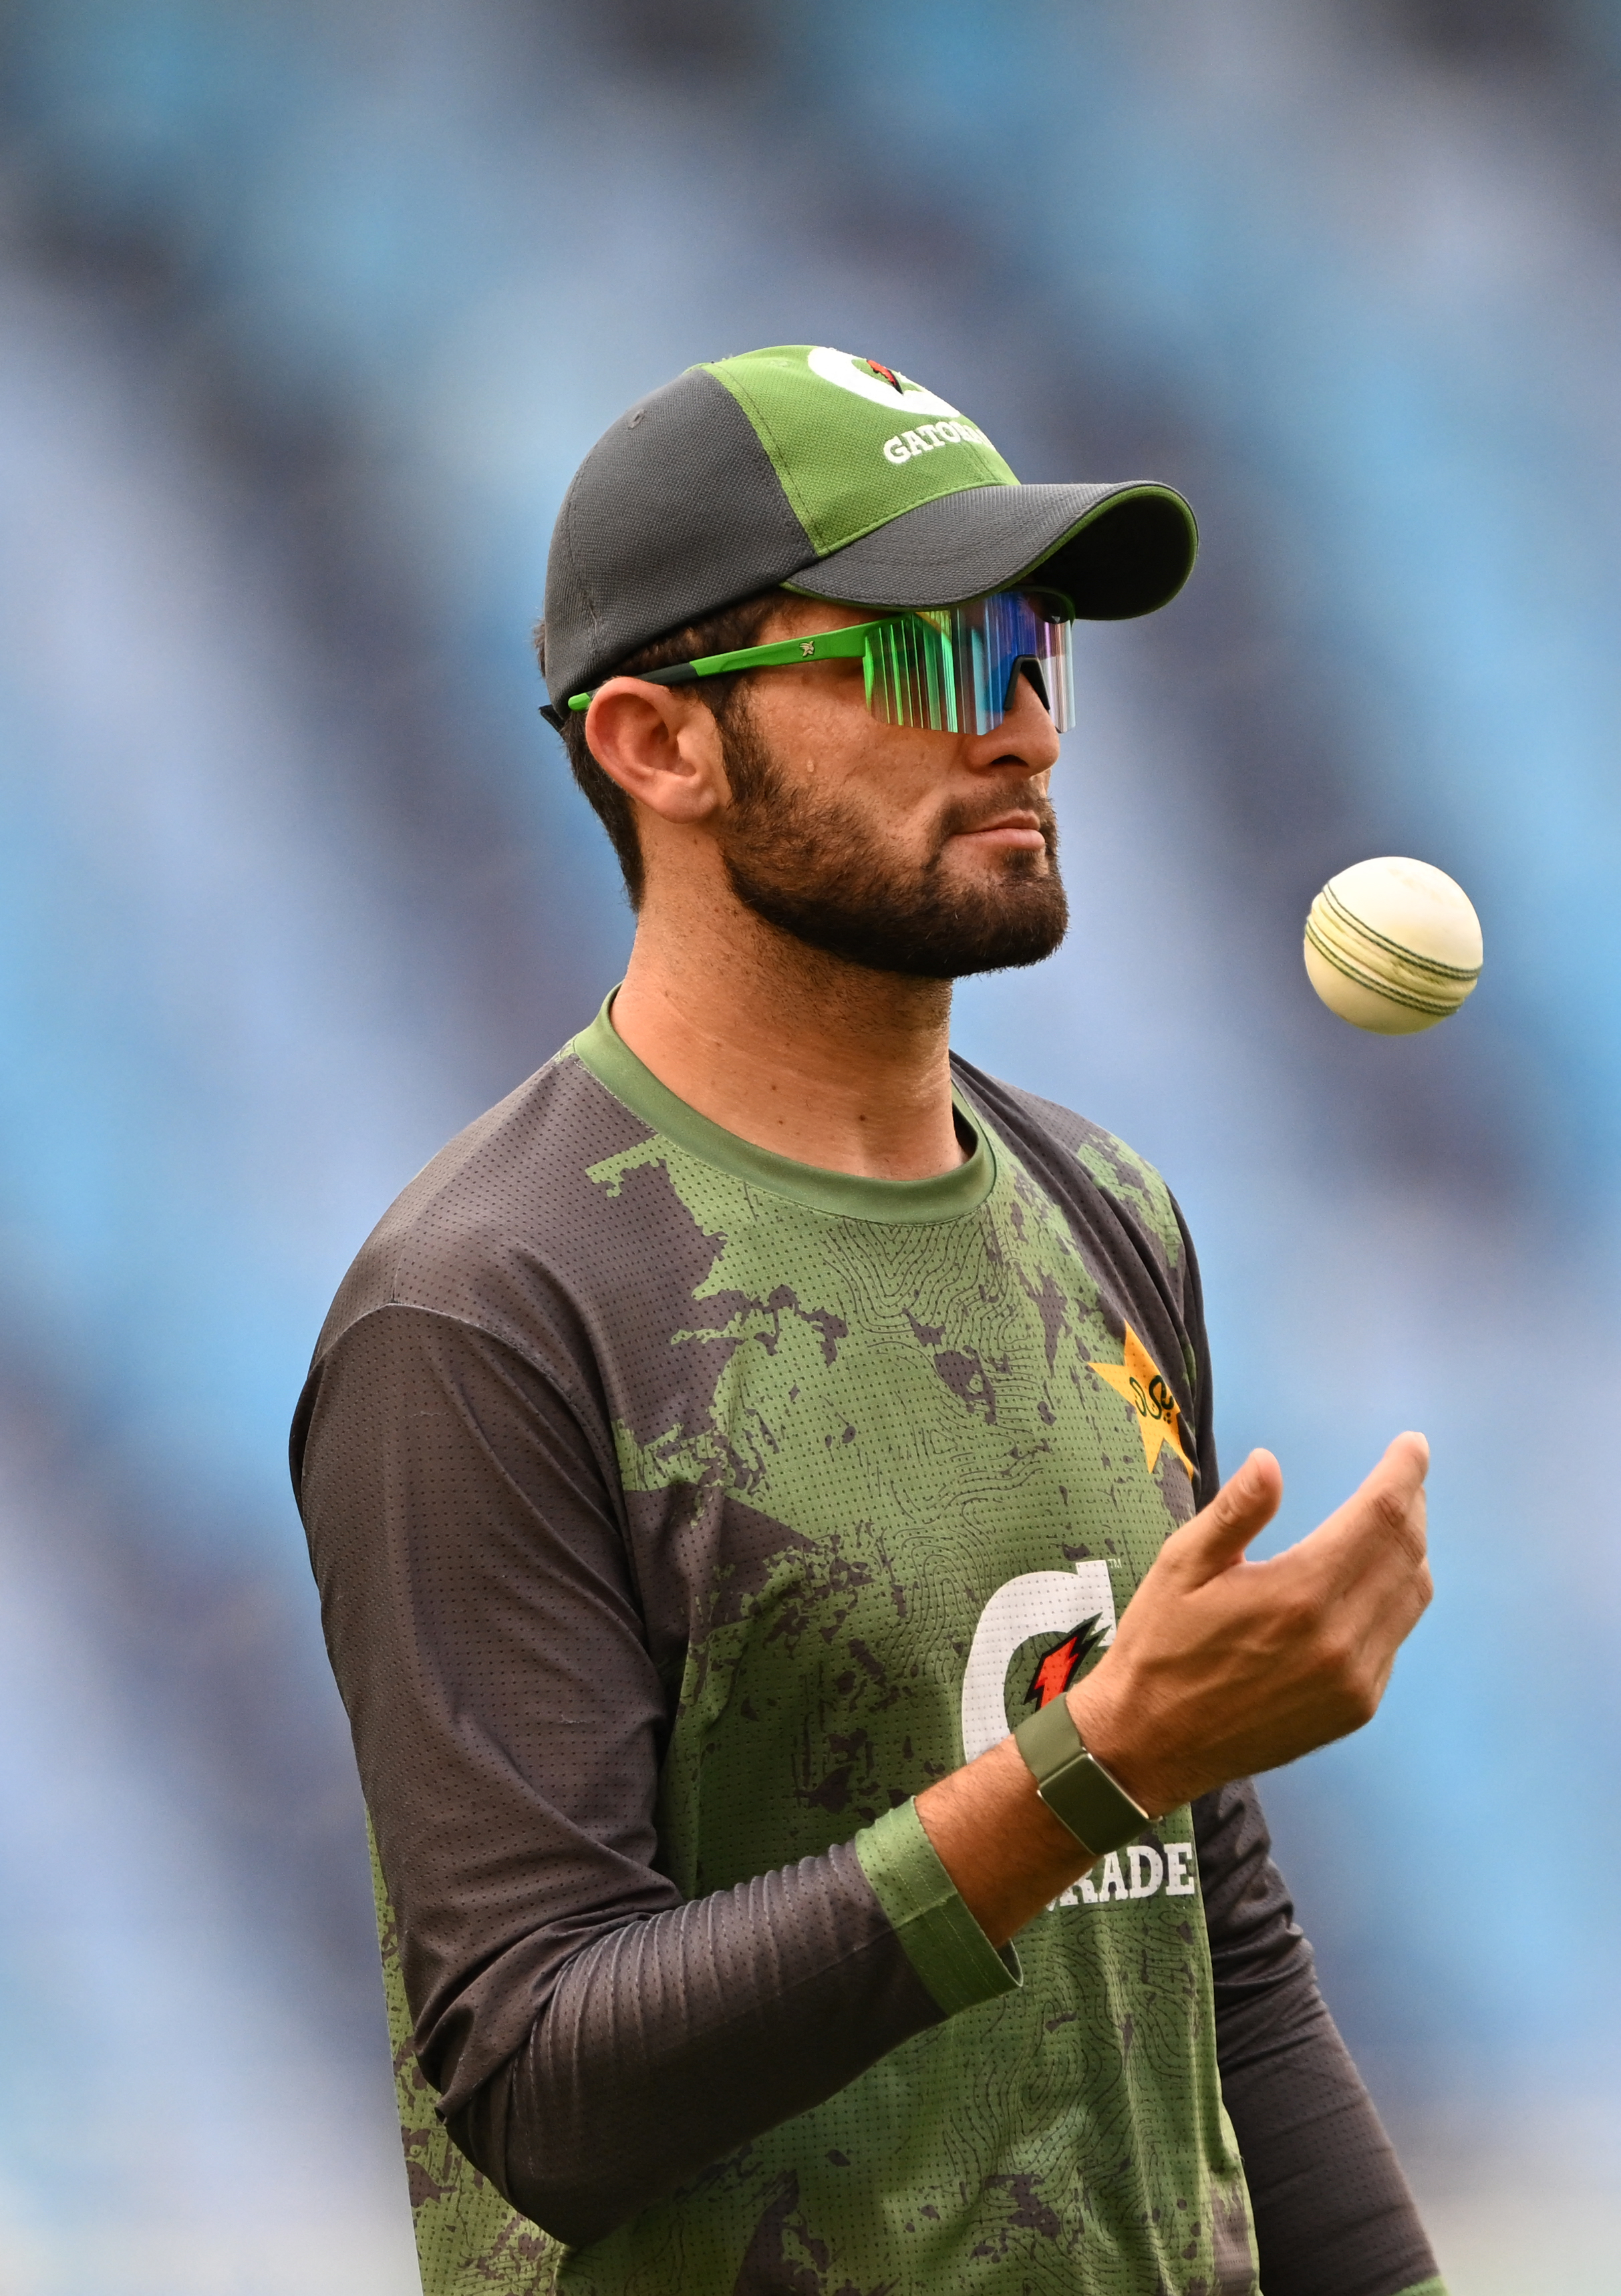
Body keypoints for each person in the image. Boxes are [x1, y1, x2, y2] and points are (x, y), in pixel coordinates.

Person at [292, 345, 1443, 2296]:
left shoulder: (1107, 1210)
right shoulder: (488, 1309)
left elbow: (1215, 1955)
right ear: (659, 745)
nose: (1019, 730)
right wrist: (1088, 1769)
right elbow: (543, 2076)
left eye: (1033, 648)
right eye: (925, 659)